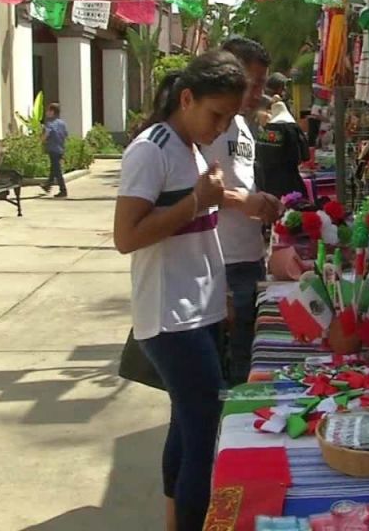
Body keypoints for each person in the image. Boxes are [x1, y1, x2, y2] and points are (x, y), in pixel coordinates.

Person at [113, 51, 250, 531]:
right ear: (186, 98)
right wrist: (196, 201)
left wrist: (222, 296)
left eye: (230, 118)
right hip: (170, 318)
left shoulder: (189, 147)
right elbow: (126, 237)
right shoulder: (150, 149)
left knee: (186, 427)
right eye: (216, 115)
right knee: (205, 433)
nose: (220, 127)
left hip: (200, 311)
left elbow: (201, 236)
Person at [202, 36, 281, 385]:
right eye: (255, 82)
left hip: (249, 258)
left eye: (263, 82)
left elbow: (239, 182)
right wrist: (244, 202)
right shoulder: (209, 126)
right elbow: (196, 189)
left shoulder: (244, 125)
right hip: (222, 264)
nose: (258, 92)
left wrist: (262, 202)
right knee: (230, 373)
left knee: (247, 362)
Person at [256, 99, 310, 201]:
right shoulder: (292, 128)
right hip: (289, 181)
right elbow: (304, 155)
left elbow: (260, 156)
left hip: (267, 182)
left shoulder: (266, 131)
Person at [42, 103, 69, 198]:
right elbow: (66, 135)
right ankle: (47, 185)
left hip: (53, 149)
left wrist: (42, 140)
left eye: (48, 110)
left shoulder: (50, 123)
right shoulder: (62, 123)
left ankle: (63, 190)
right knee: (54, 168)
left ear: (52, 112)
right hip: (60, 148)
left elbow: (46, 134)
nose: (46, 112)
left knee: (57, 171)